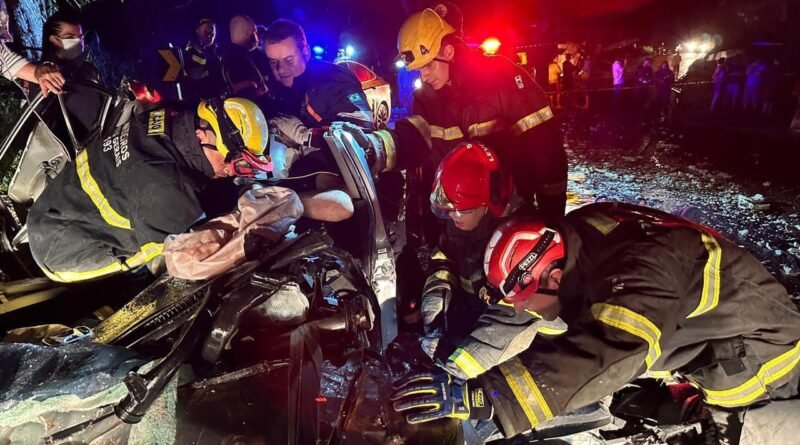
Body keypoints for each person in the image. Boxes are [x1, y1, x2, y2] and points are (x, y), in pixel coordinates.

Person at [392, 202, 800, 443]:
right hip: (719, 334)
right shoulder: (579, 240)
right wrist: (457, 371)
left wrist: (487, 397)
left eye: (524, 300)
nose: (519, 311)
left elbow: (604, 350)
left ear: (554, 277)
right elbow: (546, 327)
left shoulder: (640, 273)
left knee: (738, 427)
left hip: (761, 355)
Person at [27, 97, 270, 283]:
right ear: (202, 135)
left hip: (49, 206)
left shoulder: (166, 116)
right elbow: (168, 262)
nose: (232, 171)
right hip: (60, 251)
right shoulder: (170, 192)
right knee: (145, 269)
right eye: (235, 163)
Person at [420, 142, 516, 349]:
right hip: (466, 315)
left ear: (489, 204)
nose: (454, 216)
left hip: (495, 337)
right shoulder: (456, 227)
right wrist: (437, 292)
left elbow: (511, 320)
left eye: (463, 210)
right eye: (449, 209)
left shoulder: (515, 244)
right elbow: (443, 259)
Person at [264, 18, 373, 138]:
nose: (280, 69)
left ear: (305, 53)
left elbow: (359, 133)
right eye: (273, 62)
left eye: (288, 60)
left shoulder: (335, 80)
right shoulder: (273, 87)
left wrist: (304, 135)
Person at [41, 10, 100, 83]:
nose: (79, 42)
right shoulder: (42, 72)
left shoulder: (90, 71)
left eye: (81, 37)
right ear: (55, 40)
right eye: (70, 37)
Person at [221, 15, 269, 101]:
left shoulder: (230, 56)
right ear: (248, 33)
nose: (257, 37)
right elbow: (247, 95)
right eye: (255, 32)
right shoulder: (239, 60)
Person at [183, 18, 223, 100]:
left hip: (218, 97)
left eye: (212, 32)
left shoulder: (219, 51)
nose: (210, 35)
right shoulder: (189, 51)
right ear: (197, 31)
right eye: (206, 32)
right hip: (197, 99)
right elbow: (194, 75)